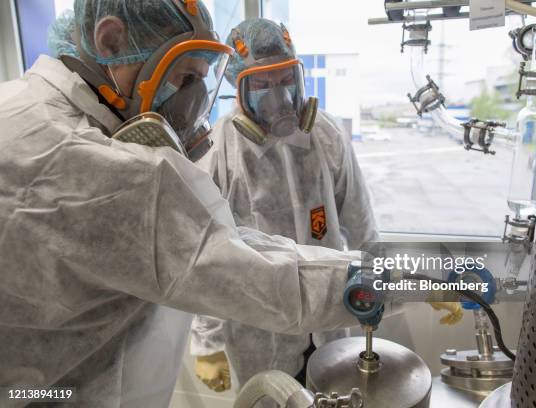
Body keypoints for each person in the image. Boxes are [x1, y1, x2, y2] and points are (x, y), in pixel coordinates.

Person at [0, 2, 367, 407]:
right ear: (110, 41)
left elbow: (221, 248)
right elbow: (239, 267)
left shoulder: (19, 108)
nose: (192, 100)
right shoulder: (95, 165)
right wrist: (409, 276)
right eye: (185, 77)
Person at [189, 19, 379, 395]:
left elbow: (362, 226)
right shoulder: (219, 154)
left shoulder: (326, 136)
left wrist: (398, 281)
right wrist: (207, 344)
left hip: (328, 318)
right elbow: (204, 256)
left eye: (284, 79)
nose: (277, 95)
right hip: (260, 329)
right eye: (261, 83)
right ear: (238, 89)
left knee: (335, 397)